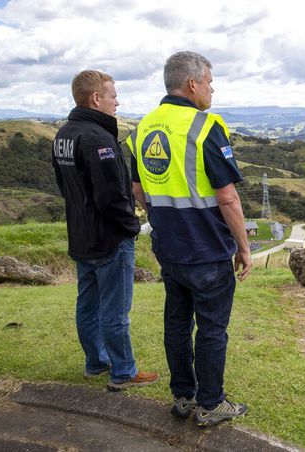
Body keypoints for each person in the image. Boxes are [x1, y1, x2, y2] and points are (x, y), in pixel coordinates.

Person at [126, 51, 253, 427]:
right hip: (208, 250)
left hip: (170, 249)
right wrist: (244, 247)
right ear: (193, 84)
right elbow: (227, 196)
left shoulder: (143, 129)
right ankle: (211, 403)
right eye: (210, 83)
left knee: (177, 325)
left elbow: (137, 189)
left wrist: (164, 218)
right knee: (212, 329)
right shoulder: (206, 125)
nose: (212, 90)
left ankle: (183, 396)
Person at [52, 70, 158, 391]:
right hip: (109, 239)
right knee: (115, 311)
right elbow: (111, 195)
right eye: (113, 96)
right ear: (96, 98)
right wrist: (131, 226)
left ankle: (95, 362)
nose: (117, 101)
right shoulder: (99, 139)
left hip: (81, 235)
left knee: (87, 305)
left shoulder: (64, 135)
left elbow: (65, 187)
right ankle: (123, 371)